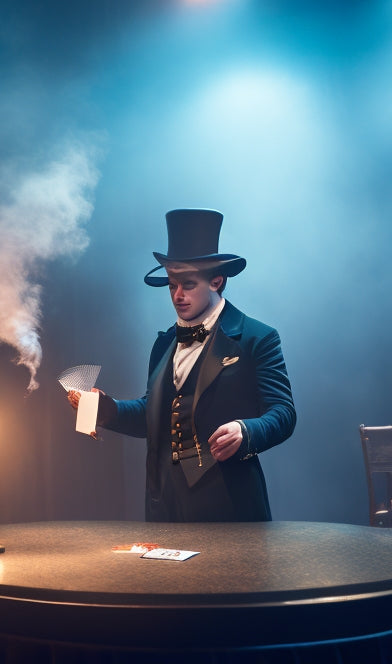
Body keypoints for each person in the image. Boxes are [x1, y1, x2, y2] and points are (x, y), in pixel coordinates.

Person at [67, 208, 296, 522]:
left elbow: (283, 413)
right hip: (166, 506)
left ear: (216, 281)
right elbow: (154, 415)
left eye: (188, 285)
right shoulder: (164, 342)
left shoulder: (257, 337)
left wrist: (246, 430)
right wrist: (108, 409)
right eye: (172, 285)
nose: (177, 295)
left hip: (231, 505)